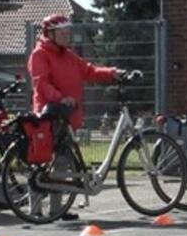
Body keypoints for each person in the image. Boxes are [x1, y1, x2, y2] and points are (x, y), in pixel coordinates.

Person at [28, 13, 124, 220]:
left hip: (67, 115)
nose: (67, 34)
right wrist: (59, 98)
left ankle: (56, 209)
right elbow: (41, 83)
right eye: (63, 31)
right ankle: (34, 209)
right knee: (42, 163)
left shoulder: (68, 55)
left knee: (62, 163)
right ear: (51, 33)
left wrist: (112, 73)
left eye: (68, 30)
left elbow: (89, 71)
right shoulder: (40, 54)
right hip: (49, 114)